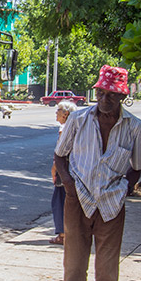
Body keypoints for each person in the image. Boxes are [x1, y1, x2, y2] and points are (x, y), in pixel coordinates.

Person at [53, 65, 141, 281]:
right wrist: (68, 186)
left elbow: (137, 168)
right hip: (77, 201)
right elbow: (60, 156)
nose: (105, 99)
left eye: (112, 95)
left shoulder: (135, 127)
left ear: (122, 97)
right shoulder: (79, 120)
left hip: (111, 206)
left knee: (107, 269)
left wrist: (121, 192)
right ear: (96, 92)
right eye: (102, 93)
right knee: (74, 264)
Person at [50, 100, 79, 245]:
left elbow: (60, 153)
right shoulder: (77, 128)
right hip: (74, 171)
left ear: (65, 114)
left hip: (64, 171)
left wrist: (54, 170)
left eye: (58, 111)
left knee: (59, 201)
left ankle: (62, 234)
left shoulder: (64, 130)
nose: (56, 113)